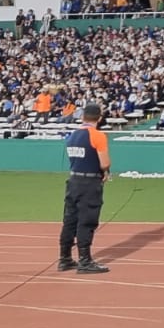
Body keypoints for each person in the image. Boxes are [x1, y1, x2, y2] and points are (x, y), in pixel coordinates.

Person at [59, 103, 111, 274]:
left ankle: (65, 257)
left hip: (74, 180)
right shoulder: (98, 135)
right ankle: (85, 260)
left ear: (83, 117)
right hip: (90, 183)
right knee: (87, 221)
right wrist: (105, 172)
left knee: (70, 220)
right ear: (99, 118)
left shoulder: (73, 135)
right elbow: (104, 163)